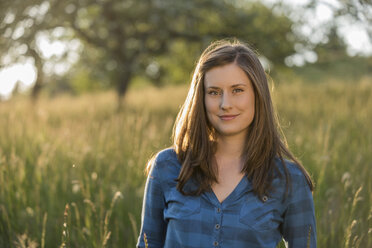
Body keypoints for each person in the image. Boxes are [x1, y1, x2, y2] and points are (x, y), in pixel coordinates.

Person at [136, 39, 316, 248]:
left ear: (258, 95)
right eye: (214, 92)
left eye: (237, 90)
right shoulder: (167, 166)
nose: (225, 104)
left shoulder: (289, 179)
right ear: (201, 99)